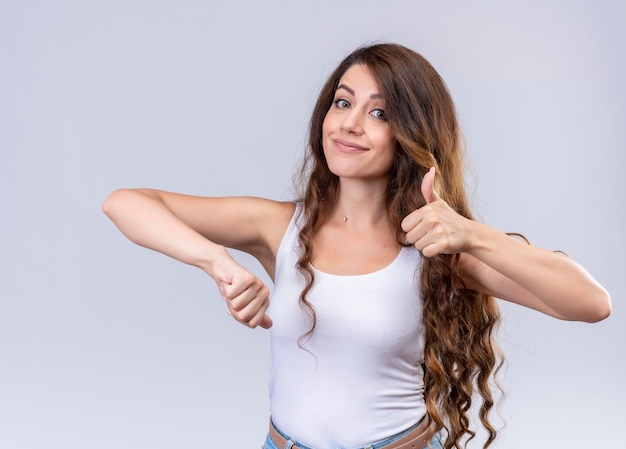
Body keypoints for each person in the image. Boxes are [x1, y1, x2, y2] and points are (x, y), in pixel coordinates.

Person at [102, 43, 611, 449]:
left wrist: (473, 235)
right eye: (342, 102)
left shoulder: (434, 244)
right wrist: (216, 260)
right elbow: (125, 203)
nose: (349, 122)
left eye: (379, 112)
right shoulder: (279, 226)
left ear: (411, 133)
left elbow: (591, 304)